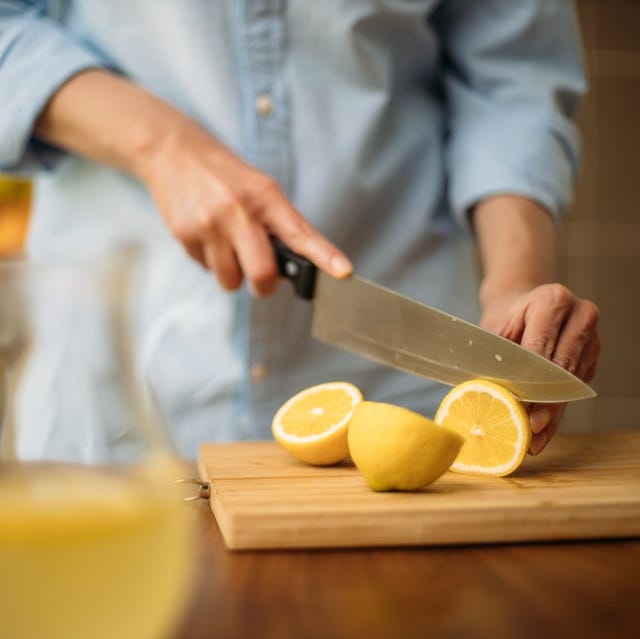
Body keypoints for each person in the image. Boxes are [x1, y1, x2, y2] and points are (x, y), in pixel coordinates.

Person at [0, 1, 600, 458]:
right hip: (118, 375)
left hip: (406, 401)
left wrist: (514, 281)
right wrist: (161, 146)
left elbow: (513, 76)